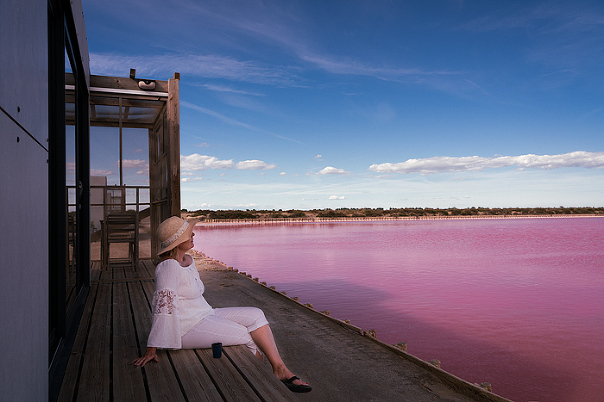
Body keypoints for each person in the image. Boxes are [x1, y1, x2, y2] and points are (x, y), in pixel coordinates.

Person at [131, 216, 311, 393]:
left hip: (204, 314)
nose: (193, 235)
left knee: (256, 314)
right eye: (189, 234)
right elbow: (164, 306)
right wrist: (151, 348)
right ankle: (259, 388)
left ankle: (279, 369)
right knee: (248, 336)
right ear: (178, 242)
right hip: (186, 327)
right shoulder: (169, 267)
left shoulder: (187, 260)